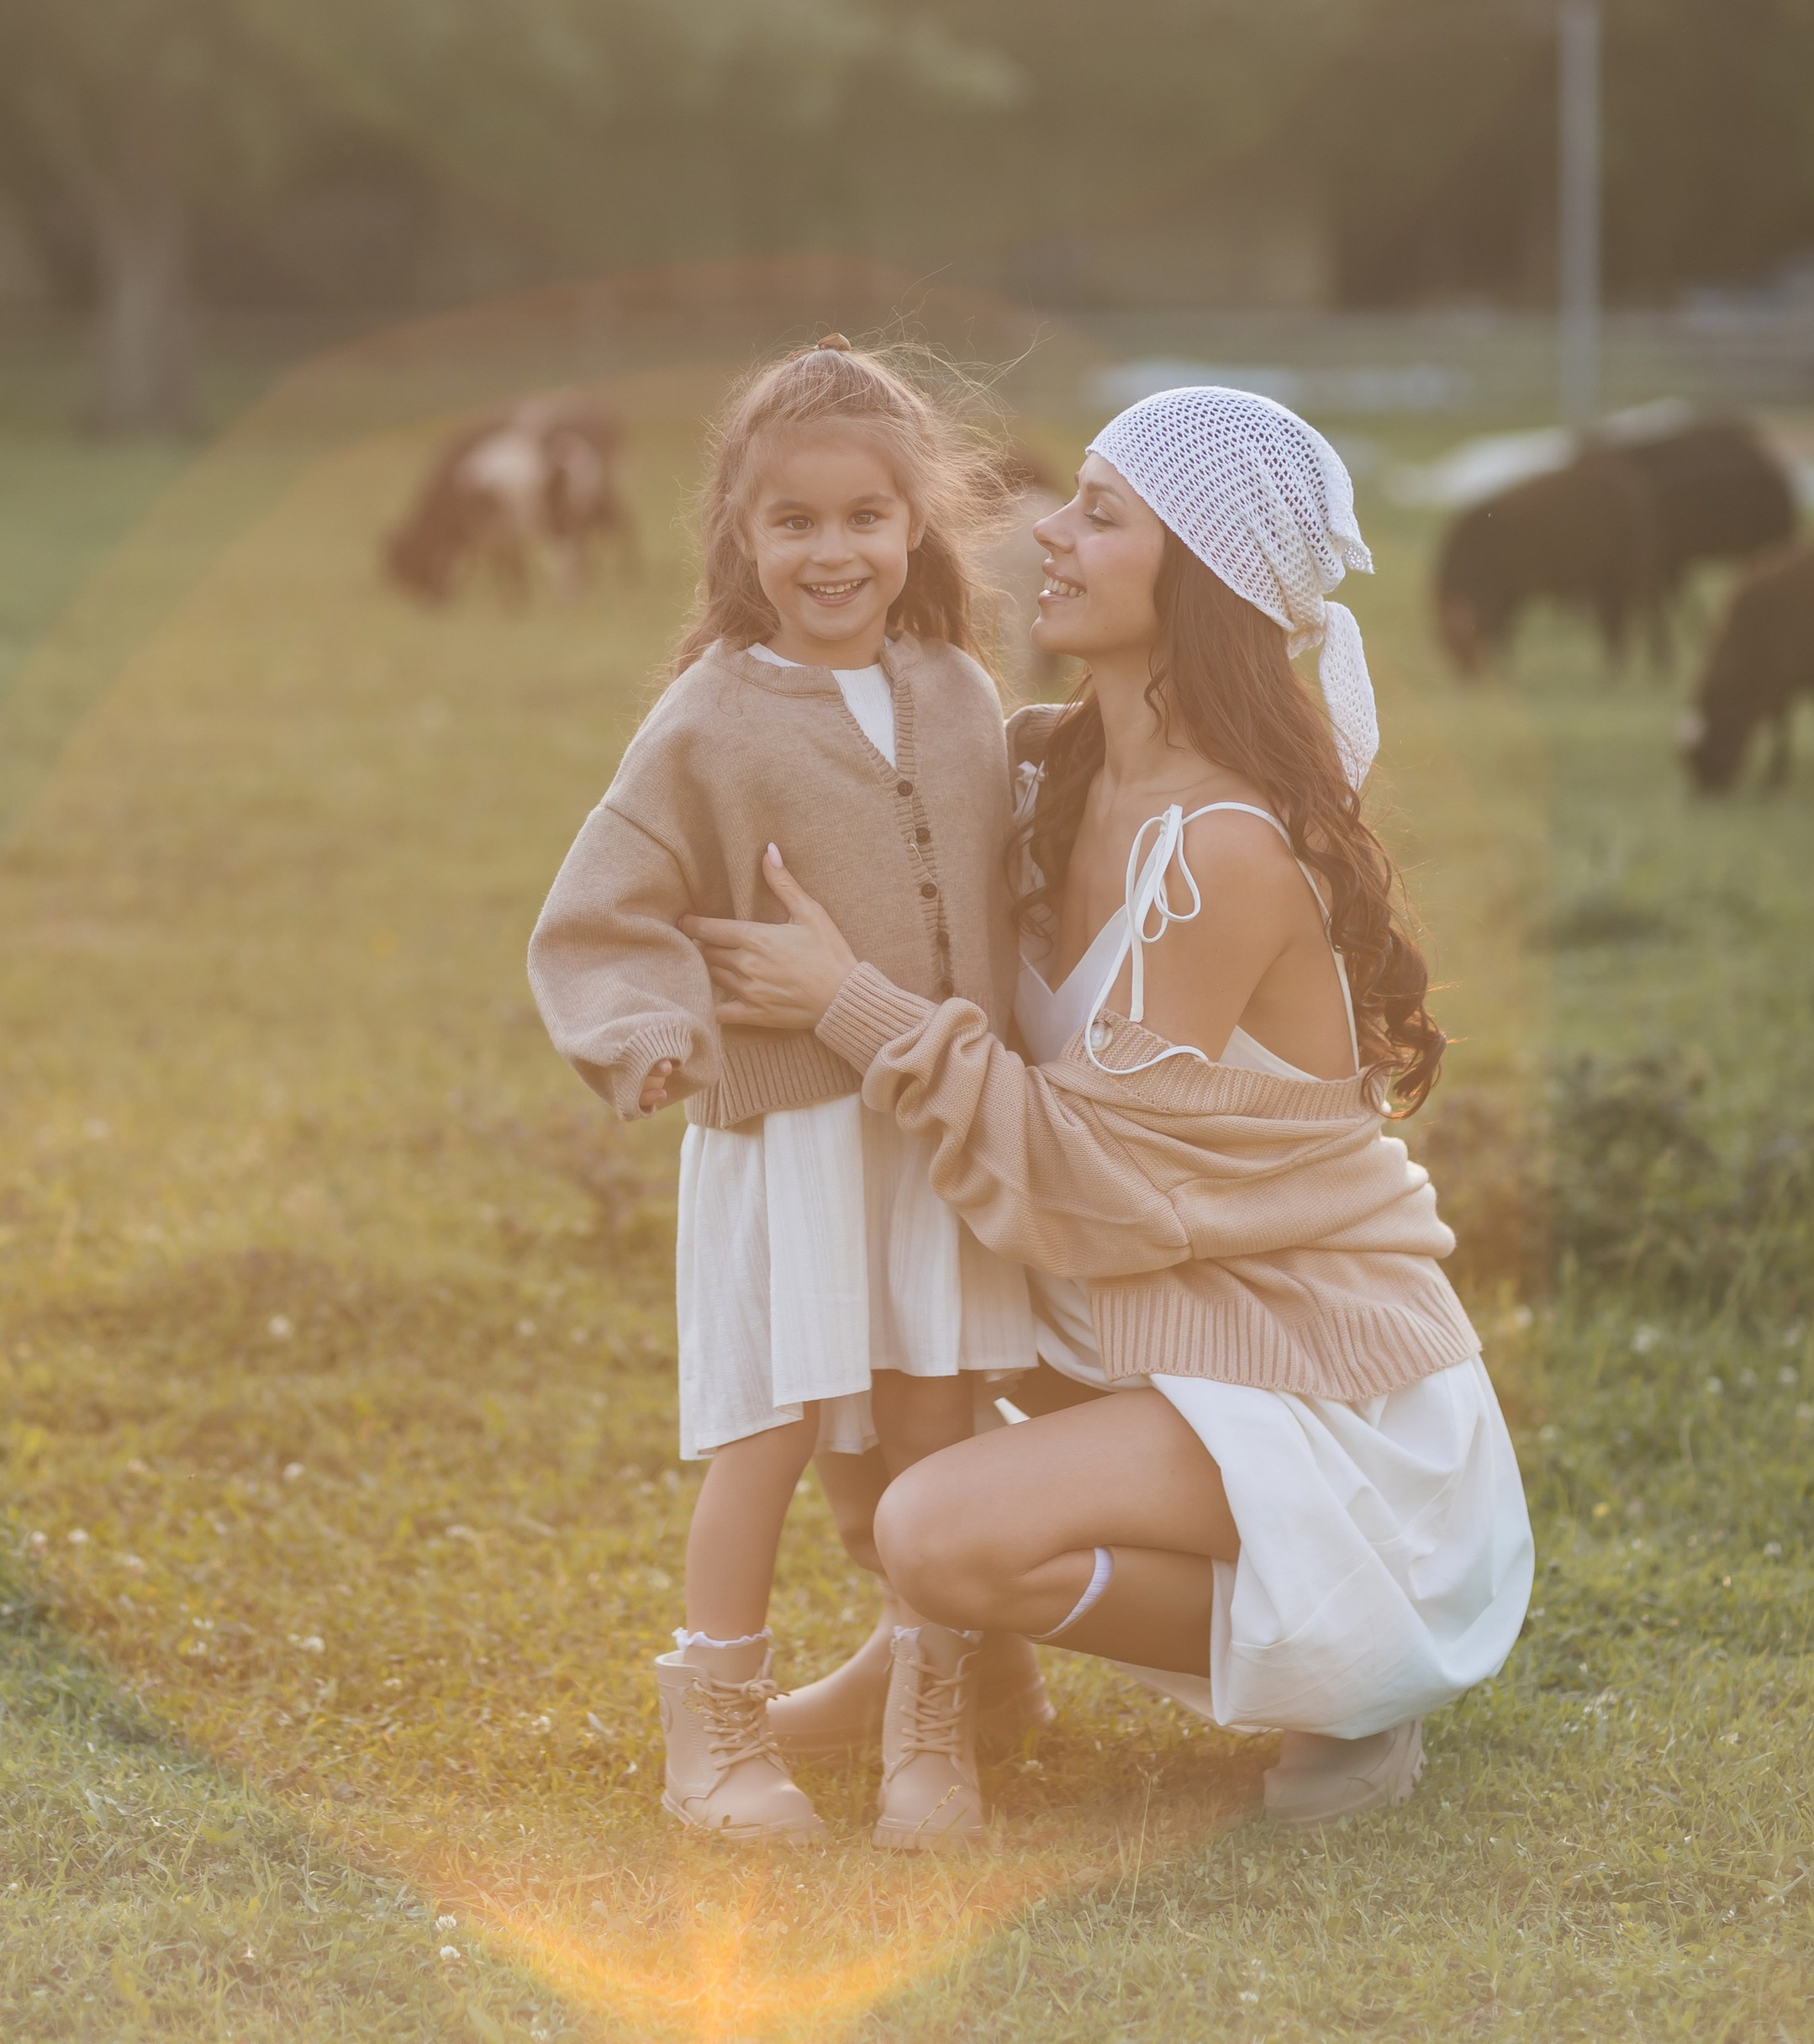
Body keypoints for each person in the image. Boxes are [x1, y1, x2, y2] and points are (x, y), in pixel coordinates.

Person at [691, 387, 1534, 1830]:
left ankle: (1352, 1668)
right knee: (867, 1421)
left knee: (933, 1521)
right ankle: (970, 1675)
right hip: (1147, 1326)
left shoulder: (1225, 851)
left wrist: (846, 999)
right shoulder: (1037, 768)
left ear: (1193, 573)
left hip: (1320, 1387)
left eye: (1100, 512)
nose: (1049, 534)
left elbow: (1079, 1181)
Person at [525, 339, 1042, 1847]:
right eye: (794, 523)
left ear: (915, 529)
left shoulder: (956, 691)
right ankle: (720, 1734)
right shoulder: (709, 717)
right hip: (789, 1129)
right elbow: (604, 906)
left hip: (930, 1123)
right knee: (772, 1423)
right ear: (741, 541)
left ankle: (930, 1729)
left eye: (866, 517)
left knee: (932, 1418)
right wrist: (647, 1035)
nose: (834, 551)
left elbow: (1012, 873)